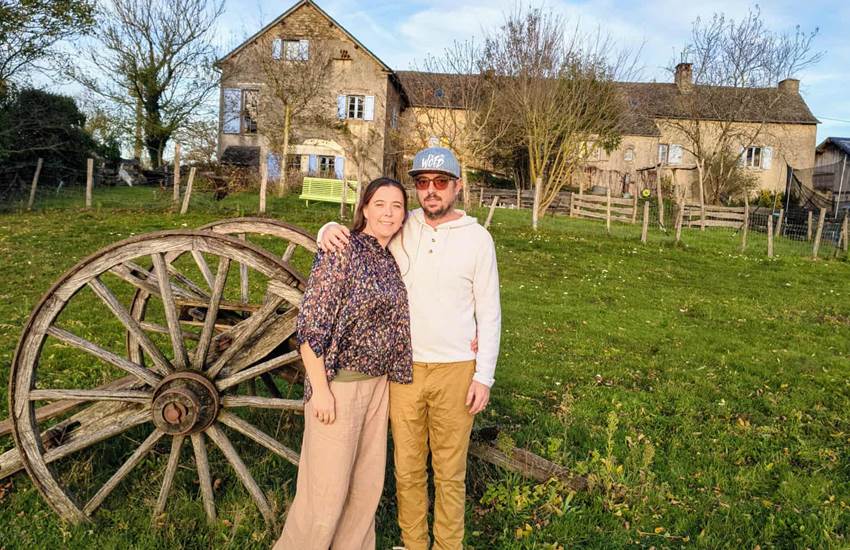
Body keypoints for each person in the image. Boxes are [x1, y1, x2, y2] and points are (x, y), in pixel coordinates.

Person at [318, 146, 501, 550]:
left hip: (456, 368)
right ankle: (414, 544)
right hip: (403, 369)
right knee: (408, 469)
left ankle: (448, 545)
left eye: (440, 182)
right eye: (422, 183)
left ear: (458, 186)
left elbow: (490, 312)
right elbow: (364, 232)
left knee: (450, 471)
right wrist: (327, 227)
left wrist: (483, 375)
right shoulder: (404, 224)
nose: (431, 191)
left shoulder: (478, 239)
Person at [274, 177, 413, 550]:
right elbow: (310, 328)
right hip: (340, 386)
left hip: (379, 387)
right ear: (364, 208)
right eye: (379, 203)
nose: (388, 212)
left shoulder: (389, 256)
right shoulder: (341, 250)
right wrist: (320, 390)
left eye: (396, 206)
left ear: (404, 215)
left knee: (364, 489)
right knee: (326, 492)